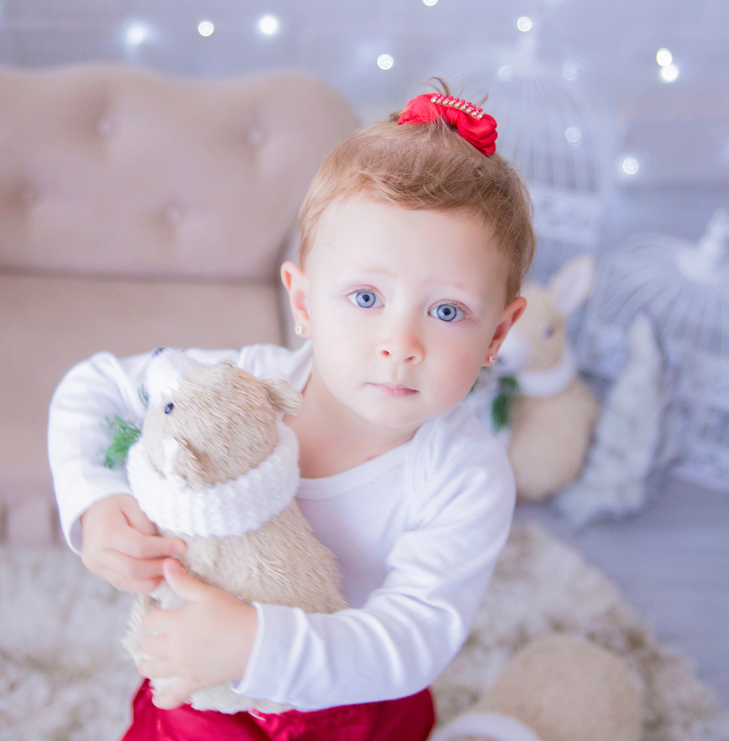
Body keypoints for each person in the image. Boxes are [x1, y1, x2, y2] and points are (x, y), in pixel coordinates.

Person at [48, 87, 535, 741]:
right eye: (365, 296)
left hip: (353, 703)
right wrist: (96, 502)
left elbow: (413, 637)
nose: (400, 343)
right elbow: (95, 386)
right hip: (202, 686)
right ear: (303, 302)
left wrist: (255, 645)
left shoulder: (464, 476)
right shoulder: (248, 384)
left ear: (498, 335)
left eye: (446, 311)